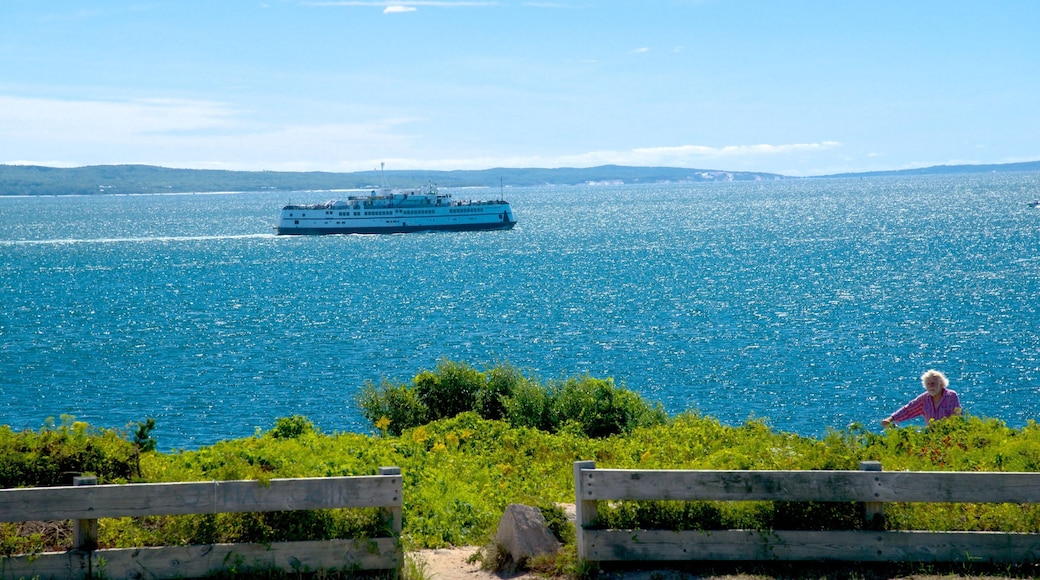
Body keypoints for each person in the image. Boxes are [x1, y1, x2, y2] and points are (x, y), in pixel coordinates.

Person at [881, 369, 962, 428]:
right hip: (931, 438)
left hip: (949, 437)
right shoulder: (924, 399)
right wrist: (891, 419)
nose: (931, 386)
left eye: (933, 383)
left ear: (941, 384)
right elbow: (908, 409)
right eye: (928, 384)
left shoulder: (951, 396)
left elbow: (958, 416)